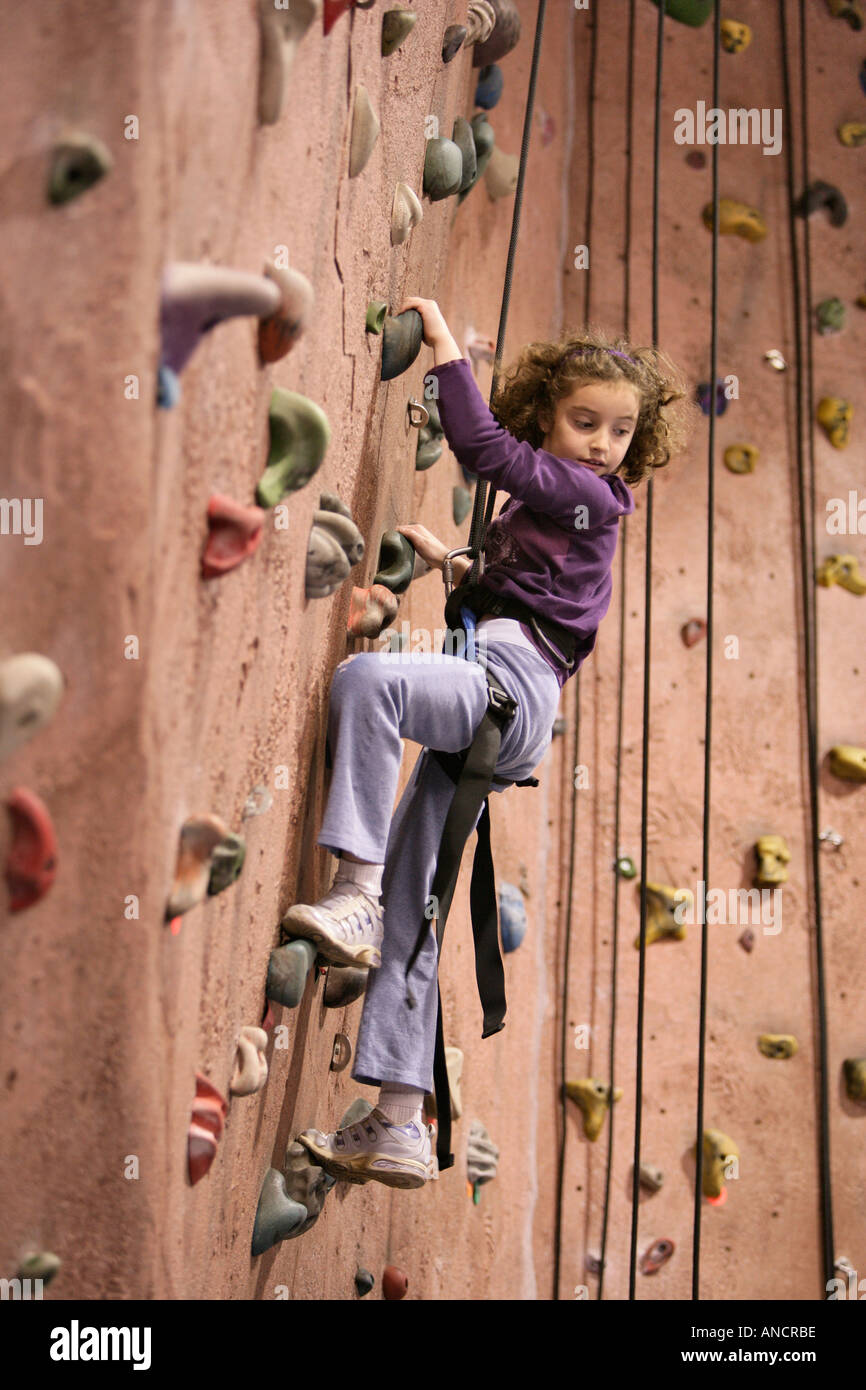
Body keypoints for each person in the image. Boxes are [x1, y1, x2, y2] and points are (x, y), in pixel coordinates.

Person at [288, 297, 694, 1189]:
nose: (601, 444)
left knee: (369, 681)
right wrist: (454, 566)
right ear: (550, 412)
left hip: (508, 696)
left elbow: (485, 454)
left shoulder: (592, 497)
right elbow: (525, 595)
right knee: (416, 901)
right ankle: (397, 1120)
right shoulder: (556, 517)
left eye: (620, 431)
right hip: (502, 707)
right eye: (585, 422)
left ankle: (348, 889)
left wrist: (442, 347)